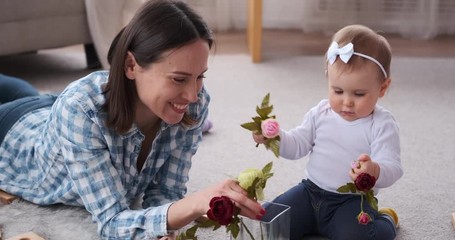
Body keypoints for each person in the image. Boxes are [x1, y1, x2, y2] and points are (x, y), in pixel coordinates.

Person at [0, 1, 264, 239]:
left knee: (28, 92)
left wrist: (165, 228)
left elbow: (165, 194)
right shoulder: (80, 108)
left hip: (56, 108)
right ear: (131, 66)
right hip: (13, 128)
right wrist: (196, 202)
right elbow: (112, 221)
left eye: (200, 76)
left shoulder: (197, 103)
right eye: (179, 79)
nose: (194, 95)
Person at [253, 24, 403, 240]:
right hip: (309, 192)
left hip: (352, 201)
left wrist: (375, 170)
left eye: (359, 94)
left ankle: (386, 220)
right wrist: (274, 138)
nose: (347, 102)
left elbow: (394, 168)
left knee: (357, 236)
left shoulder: (382, 124)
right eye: (338, 91)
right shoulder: (320, 112)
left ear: (382, 88)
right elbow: (298, 145)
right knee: (268, 222)